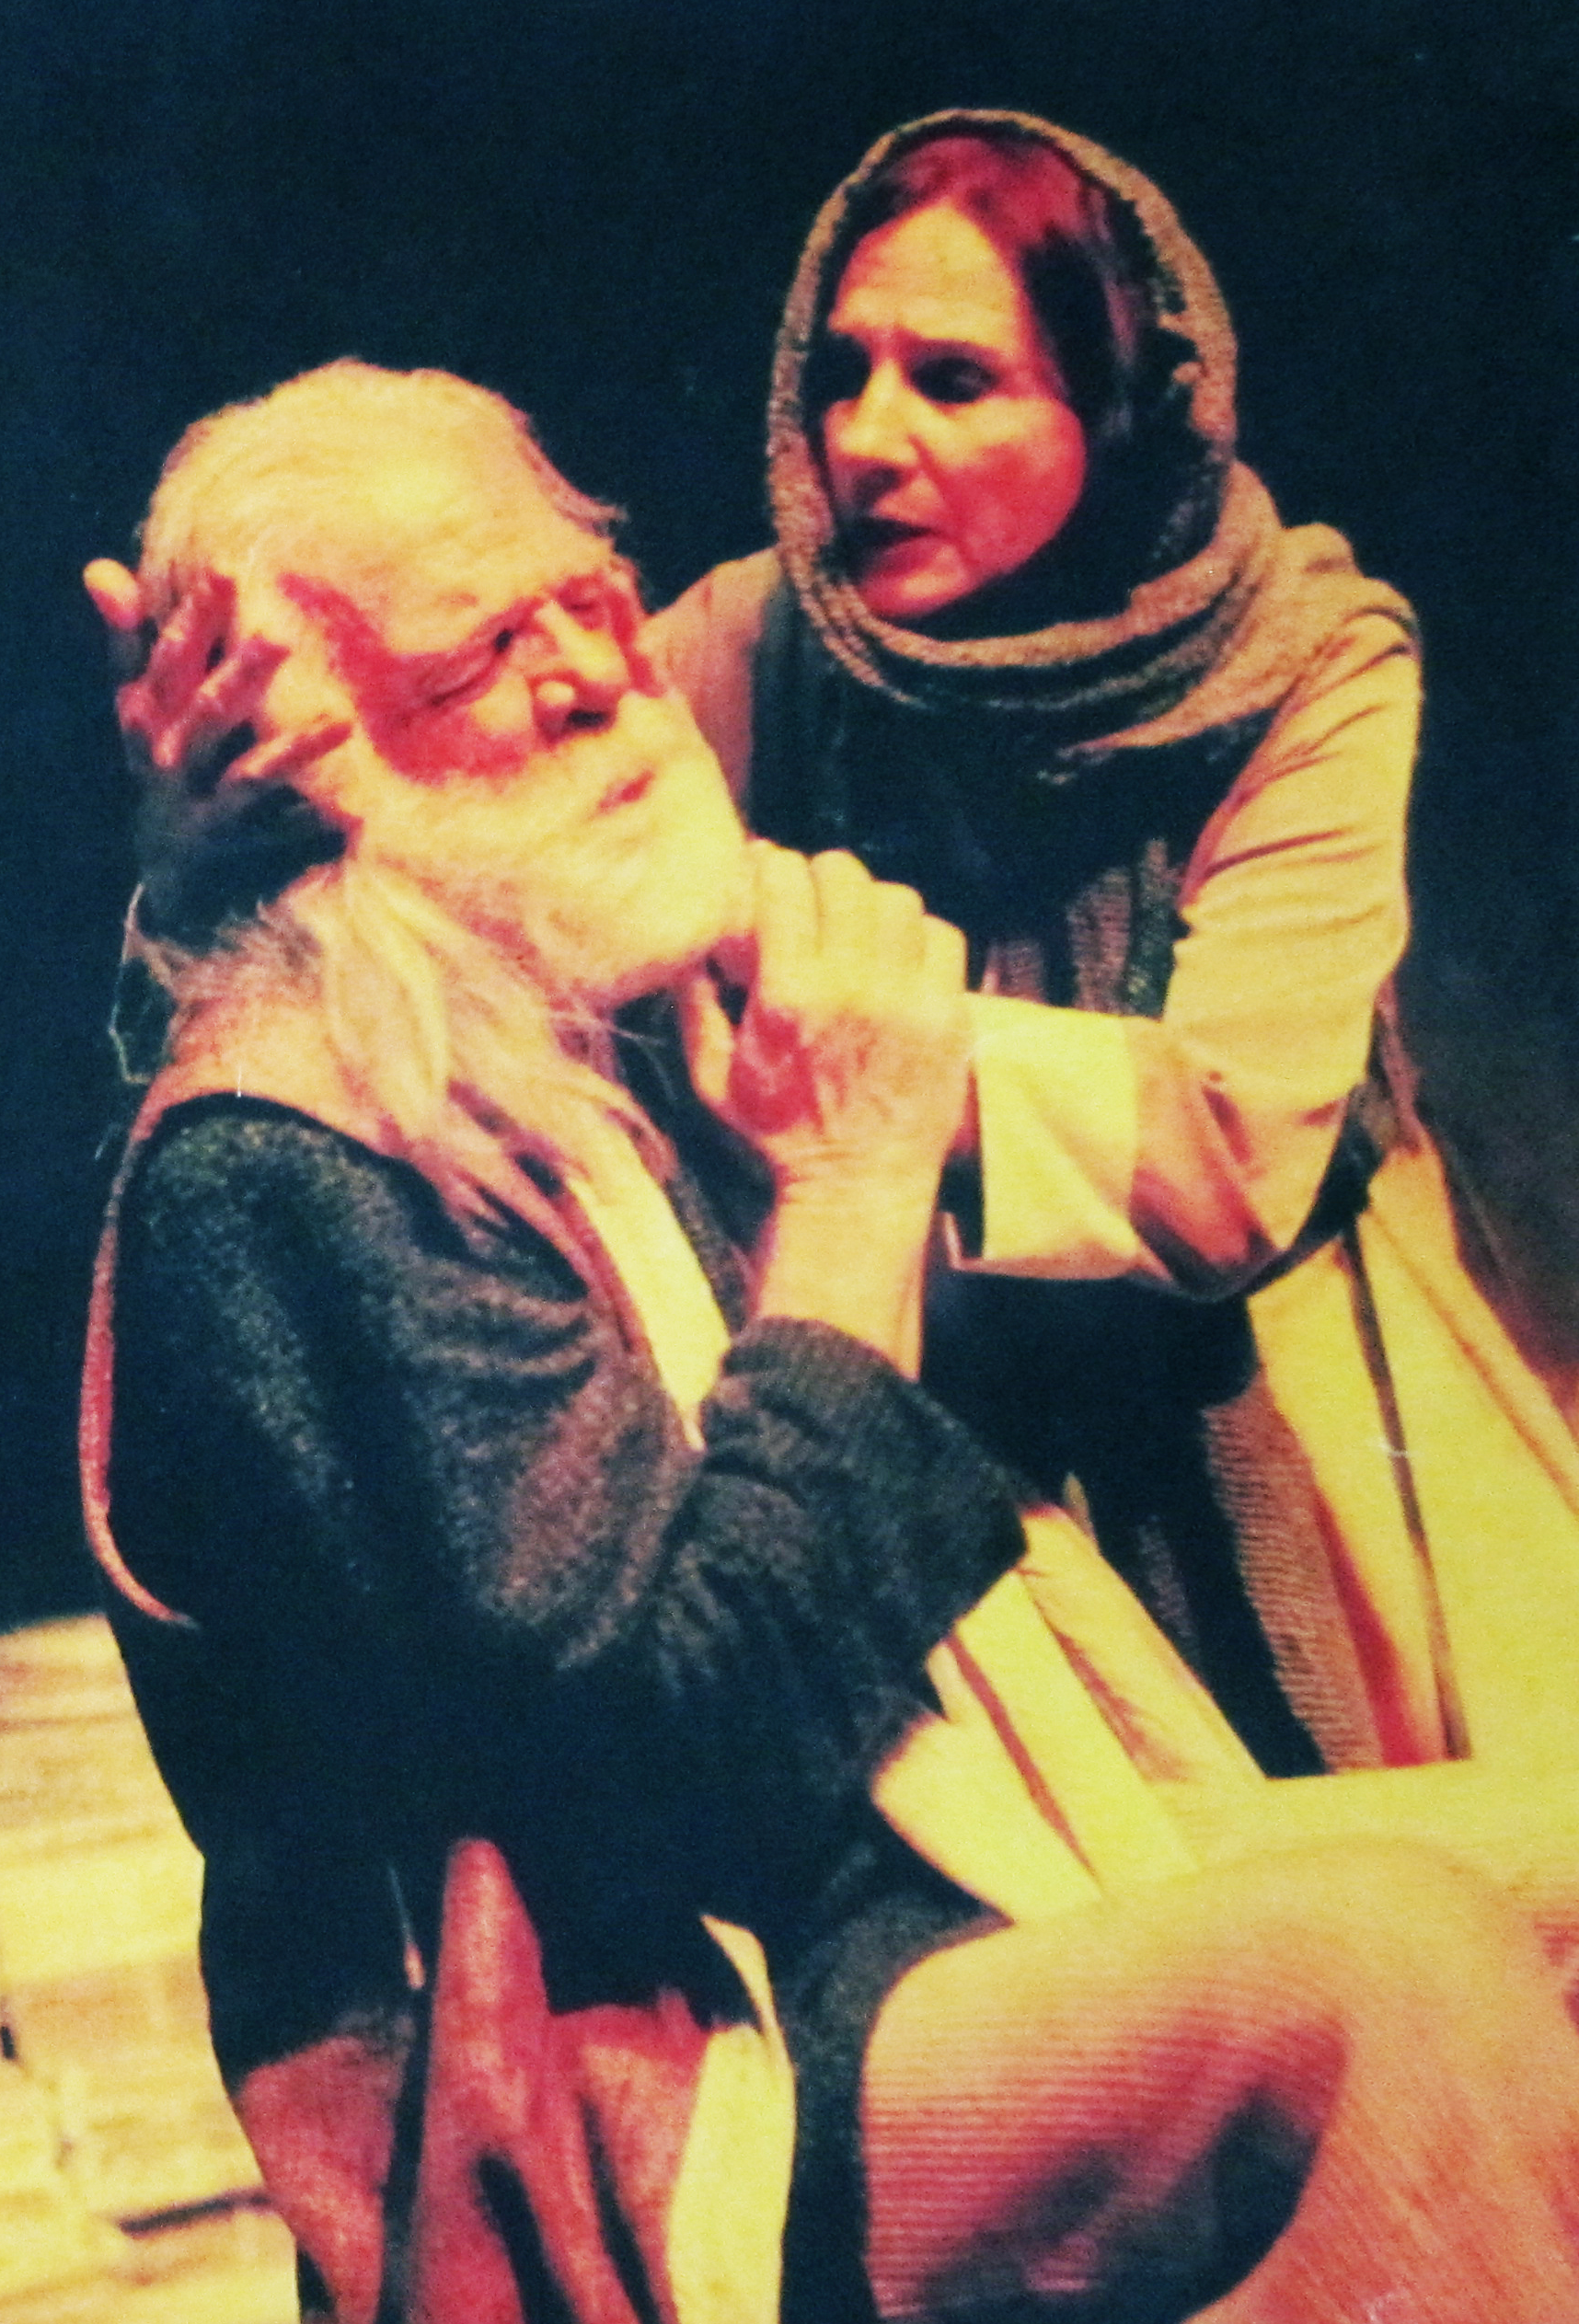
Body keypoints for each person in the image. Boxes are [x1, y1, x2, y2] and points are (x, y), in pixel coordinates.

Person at [82, 359, 1579, 2324]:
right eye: (477, 659)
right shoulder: (295, 1155)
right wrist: (860, 1182)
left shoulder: (574, 986)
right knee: (1388, 1974)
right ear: (288, 754)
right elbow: (691, 1766)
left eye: (588, 602)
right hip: (695, 2056)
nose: (591, 679)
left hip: (895, 1896)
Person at [650, 107, 1579, 1783]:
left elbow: (1227, 1143)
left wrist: (868, 1043)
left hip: (1273, 1386)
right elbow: (495, 846)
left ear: (1115, 407)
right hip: (939, 1402)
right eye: (842, 375)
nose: (866, 439)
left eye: (955, 381)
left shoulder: (1302, 658)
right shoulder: (761, 645)